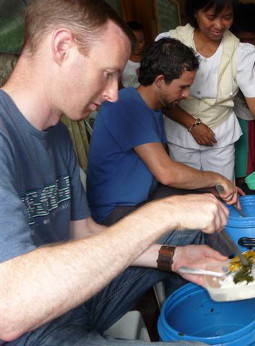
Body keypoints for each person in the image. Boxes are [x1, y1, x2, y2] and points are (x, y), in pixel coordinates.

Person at [0, 0, 231, 344]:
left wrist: (174, 256)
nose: (112, 94)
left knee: (190, 246)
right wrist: (164, 213)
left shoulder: (58, 134)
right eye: (107, 73)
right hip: (32, 331)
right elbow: (10, 310)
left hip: (79, 298)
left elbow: (84, 233)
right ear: (62, 47)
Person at [87, 37, 240, 226]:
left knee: (211, 204)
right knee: (201, 224)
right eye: (182, 87)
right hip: (117, 212)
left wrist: (208, 188)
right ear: (160, 80)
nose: (187, 95)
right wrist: (217, 178)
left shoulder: (154, 108)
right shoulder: (126, 105)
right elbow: (167, 173)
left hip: (146, 197)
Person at [155, 0, 255, 182]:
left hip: (221, 137)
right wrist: (193, 125)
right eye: (211, 17)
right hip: (180, 134)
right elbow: (159, 96)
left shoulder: (240, 52)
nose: (219, 25)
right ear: (195, 12)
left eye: (227, 17)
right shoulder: (172, 43)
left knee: (223, 193)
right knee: (189, 199)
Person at [228, 1, 255, 183]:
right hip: (236, 112)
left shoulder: (248, 52)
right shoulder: (228, 50)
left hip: (252, 110)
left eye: (251, 40)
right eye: (242, 40)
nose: (247, 45)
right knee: (241, 156)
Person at [120, 21, 146, 88]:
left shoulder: (148, 59)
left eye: (140, 41)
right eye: (133, 42)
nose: (137, 45)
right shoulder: (121, 62)